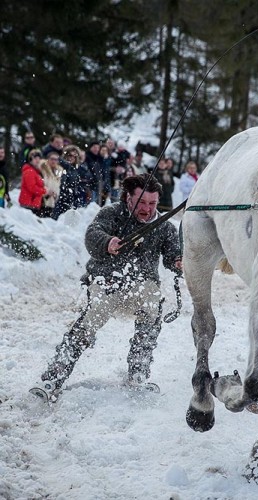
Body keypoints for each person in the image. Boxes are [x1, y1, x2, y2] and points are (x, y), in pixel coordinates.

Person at [34, 174, 182, 401]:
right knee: (92, 317)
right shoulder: (112, 214)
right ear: (128, 198)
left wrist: (179, 261)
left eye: (152, 203)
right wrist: (108, 242)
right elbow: (93, 234)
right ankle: (54, 376)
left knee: (153, 303)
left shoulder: (163, 226)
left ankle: (138, 372)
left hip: (141, 288)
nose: (147, 209)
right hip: (106, 283)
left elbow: (173, 253)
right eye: (142, 202)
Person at [18, 149, 55, 217]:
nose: (37, 160)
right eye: (35, 158)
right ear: (30, 159)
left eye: (39, 158)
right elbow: (32, 188)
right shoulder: (29, 171)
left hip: (33, 204)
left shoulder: (36, 171)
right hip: (29, 204)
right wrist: (45, 191)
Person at [52, 145, 84, 220]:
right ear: (66, 155)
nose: (71, 157)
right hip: (60, 198)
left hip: (71, 198)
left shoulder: (75, 168)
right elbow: (58, 181)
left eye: (74, 156)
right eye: (70, 155)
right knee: (55, 220)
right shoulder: (61, 166)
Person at [85, 141, 110, 206]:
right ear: (91, 147)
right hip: (89, 186)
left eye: (97, 147)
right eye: (94, 147)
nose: (96, 149)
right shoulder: (87, 156)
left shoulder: (100, 158)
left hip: (98, 186)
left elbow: (104, 173)